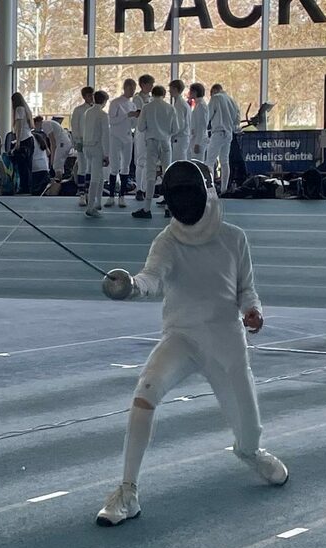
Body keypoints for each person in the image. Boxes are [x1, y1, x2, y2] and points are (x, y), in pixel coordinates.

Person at [97, 159, 288, 527]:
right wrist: (131, 286)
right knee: (144, 393)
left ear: (206, 192)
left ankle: (249, 451)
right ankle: (127, 491)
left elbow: (247, 290)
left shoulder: (234, 238)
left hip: (227, 342)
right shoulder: (167, 241)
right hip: (181, 338)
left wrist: (253, 312)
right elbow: (152, 278)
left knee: (249, 431)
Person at [132, 86, 177, 220]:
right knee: (167, 174)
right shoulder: (170, 108)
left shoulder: (147, 107)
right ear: (164, 94)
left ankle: (147, 208)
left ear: (153, 93)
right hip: (165, 142)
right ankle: (169, 208)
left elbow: (140, 127)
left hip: (151, 142)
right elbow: (176, 128)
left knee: (150, 174)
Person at [106, 78, 137, 208]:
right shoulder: (115, 103)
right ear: (125, 88)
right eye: (130, 89)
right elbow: (111, 121)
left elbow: (133, 124)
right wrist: (127, 115)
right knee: (114, 166)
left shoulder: (133, 105)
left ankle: (122, 196)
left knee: (126, 167)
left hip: (128, 138)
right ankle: (111, 196)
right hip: (115, 137)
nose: (132, 91)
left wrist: (136, 117)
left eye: (134, 89)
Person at [206, 83, 240, 195]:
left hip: (218, 132)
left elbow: (208, 116)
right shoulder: (232, 101)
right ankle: (224, 189)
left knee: (209, 162)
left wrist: (203, 129)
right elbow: (237, 120)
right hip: (229, 133)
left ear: (214, 91)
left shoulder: (216, 98)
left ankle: (210, 189)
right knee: (225, 162)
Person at [82, 90, 111, 218]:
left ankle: (98, 202)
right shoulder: (103, 115)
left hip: (87, 147)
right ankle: (90, 207)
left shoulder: (88, 112)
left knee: (98, 176)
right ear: (104, 101)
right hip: (97, 148)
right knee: (95, 177)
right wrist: (107, 154)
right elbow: (105, 135)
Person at [132, 75, 155, 201]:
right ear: (143, 85)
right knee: (140, 160)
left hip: (151, 132)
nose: (151, 86)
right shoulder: (137, 98)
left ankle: (147, 188)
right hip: (141, 132)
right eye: (150, 84)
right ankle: (139, 189)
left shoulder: (152, 98)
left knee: (149, 161)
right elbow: (138, 113)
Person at [70, 86, 94, 205]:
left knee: (90, 168)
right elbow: (74, 126)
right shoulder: (78, 110)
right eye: (89, 95)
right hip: (82, 142)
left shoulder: (96, 110)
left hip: (93, 143)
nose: (91, 97)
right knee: (82, 168)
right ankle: (81, 194)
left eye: (92, 95)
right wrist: (77, 141)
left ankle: (89, 193)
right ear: (84, 97)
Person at [34, 115, 73, 180]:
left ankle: (57, 181)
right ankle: (58, 180)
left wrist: (52, 158)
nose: (35, 127)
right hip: (65, 143)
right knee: (59, 164)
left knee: (56, 164)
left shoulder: (45, 124)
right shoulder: (48, 123)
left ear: (37, 122)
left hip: (62, 143)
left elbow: (52, 142)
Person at [11, 92, 35, 194]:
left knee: (22, 166)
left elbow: (19, 125)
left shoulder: (19, 109)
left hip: (23, 139)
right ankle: (28, 187)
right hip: (29, 138)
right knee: (28, 165)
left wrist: (18, 141)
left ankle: (23, 187)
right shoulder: (26, 109)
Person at [169, 79, 191, 164]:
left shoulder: (179, 105)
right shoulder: (183, 103)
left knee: (178, 163)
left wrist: (170, 134)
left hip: (179, 139)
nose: (169, 91)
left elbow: (179, 125)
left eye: (170, 89)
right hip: (184, 138)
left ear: (175, 89)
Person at [188, 83, 209, 162]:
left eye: (191, 91)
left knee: (198, 164)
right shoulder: (197, 105)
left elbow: (201, 126)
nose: (189, 93)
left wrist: (197, 143)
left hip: (199, 140)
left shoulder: (201, 106)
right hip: (195, 138)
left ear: (195, 92)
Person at [30, 127, 51, 195]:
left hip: (35, 169)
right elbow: (48, 153)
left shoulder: (28, 139)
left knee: (34, 193)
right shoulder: (39, 138)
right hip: (44, 168)